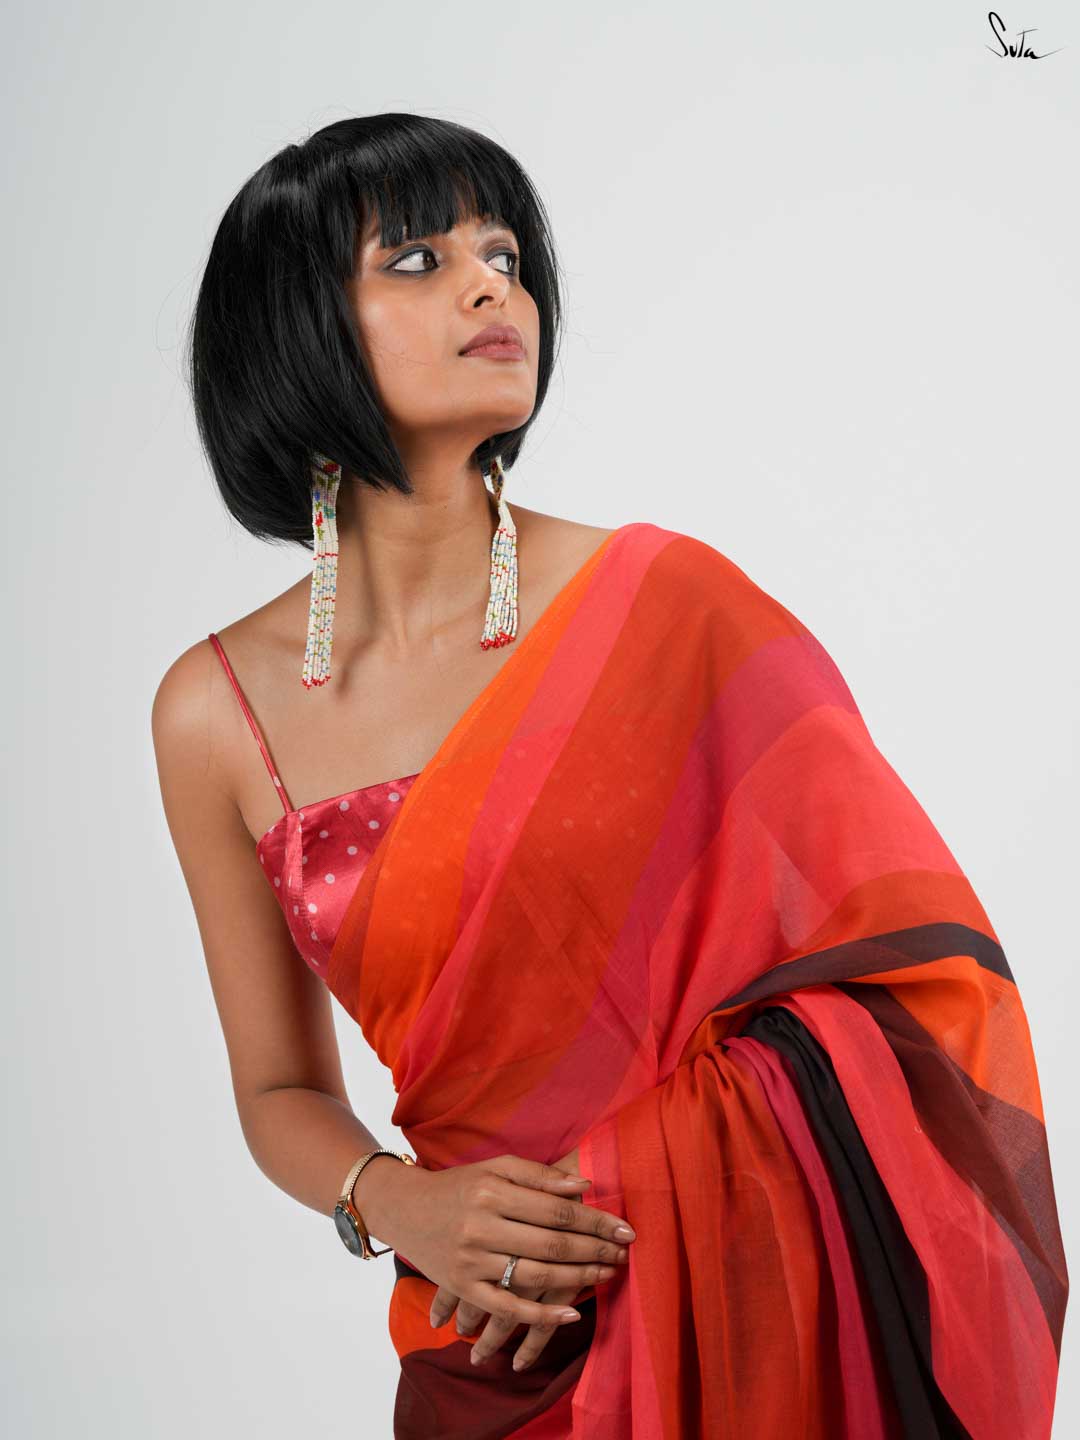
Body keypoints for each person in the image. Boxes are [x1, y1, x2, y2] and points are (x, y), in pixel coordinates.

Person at [152, 114, 1068, 1438]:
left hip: (749, 1310)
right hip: (489, 1340)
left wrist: (627, 1174)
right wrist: (405, 1205)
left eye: (504, 254)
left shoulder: (668, 606)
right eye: (417, 259)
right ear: (290, 327)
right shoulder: (213, 713)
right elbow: (277, 1091)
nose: (492, 287)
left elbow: (911, 982)